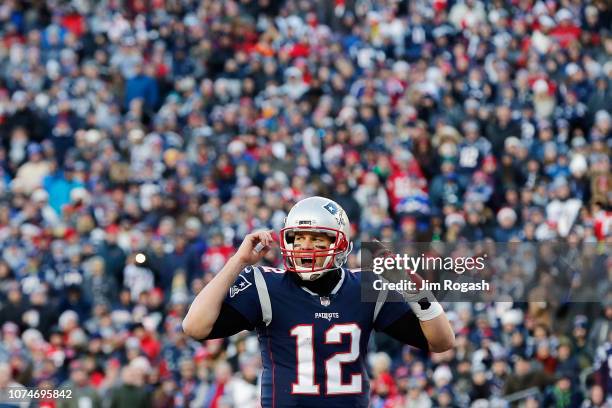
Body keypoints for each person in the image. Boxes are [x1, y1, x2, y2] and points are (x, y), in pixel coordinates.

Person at [183, 196, 454, 407]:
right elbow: (195, 327)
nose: (305, 247)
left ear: (341, 243)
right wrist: (238, 261)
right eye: (298, 238)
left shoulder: (365, 286)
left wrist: (414, 290)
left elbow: (441, 341)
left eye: (317, 239)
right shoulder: (266, 285)